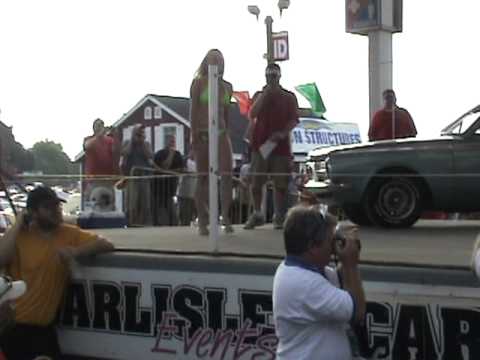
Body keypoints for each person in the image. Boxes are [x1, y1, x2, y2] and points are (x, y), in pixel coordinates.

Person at [0, 186, 114, 359]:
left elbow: (106, 244)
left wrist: (76, 252)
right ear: (32, 212)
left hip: (44, 330)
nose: (55, 211)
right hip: (15, 328)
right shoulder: (19, 237)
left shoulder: (68, 233)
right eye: (48, 207)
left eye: (57, 206)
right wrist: (17, 225)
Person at [272, 206, 366, 360]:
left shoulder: (298, 270)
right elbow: (357, 312)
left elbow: (344, 285)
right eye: (330, 241)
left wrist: (346, 252)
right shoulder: (304, 283)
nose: (332, 248)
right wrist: (350, 264)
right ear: (312, 246)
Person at [244, 63, 299, 230]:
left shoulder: (289, 97)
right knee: (256, 182)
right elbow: (252, 114)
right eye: (268, 76)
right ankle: (257, 213)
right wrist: (265, 94)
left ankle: (279, 215)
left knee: (280, 183)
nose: (271, 79)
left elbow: (294, 119)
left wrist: (282, 133)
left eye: (273, 76)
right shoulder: (259, 95)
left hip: (280, 146)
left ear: (279, 76)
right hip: (260, 144)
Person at [190, 49, 234, 235]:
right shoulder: (199, 83)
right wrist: (193, 136)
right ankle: (203, 219)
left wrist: (228, 133)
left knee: (227, 175)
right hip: (202, 132)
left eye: (219, 59)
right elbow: (193, 111)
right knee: (203, 177)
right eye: (213, 59)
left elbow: (226, 113)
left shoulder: (227, 86)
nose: (216, 62)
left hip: (221, 132)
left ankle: (225, 215)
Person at [121, 124, 157, 226]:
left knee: (145, 203)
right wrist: (132, 141)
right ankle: (130, 223)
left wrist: (142, 143)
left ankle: (145, 223)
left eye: (142, 132)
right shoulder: (127, 143)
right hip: (131, 177)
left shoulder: (146, 144)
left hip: (144, 177)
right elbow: (124, 152)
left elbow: (150, 155)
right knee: (132, 203)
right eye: (138, 132)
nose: (140, 134)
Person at [153, 135, 184, 226]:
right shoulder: (159, 153)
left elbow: (181, 169)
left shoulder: (178, 154)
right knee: (161, 211)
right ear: (166, 142)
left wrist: (169, 172)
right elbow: (164, 166)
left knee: (172, 210)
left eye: (173, 141)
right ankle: (161, 226)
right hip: (159, 189)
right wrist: (170, 154)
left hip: (171, 188)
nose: (173, 143)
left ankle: (174, 226)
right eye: (171, 141)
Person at [177, 151, 197, 226]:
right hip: (185, 193)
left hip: (194, 193)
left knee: (191, 214)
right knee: (184, 215)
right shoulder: (185, 160)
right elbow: (182, 170)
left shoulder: (199, 162)